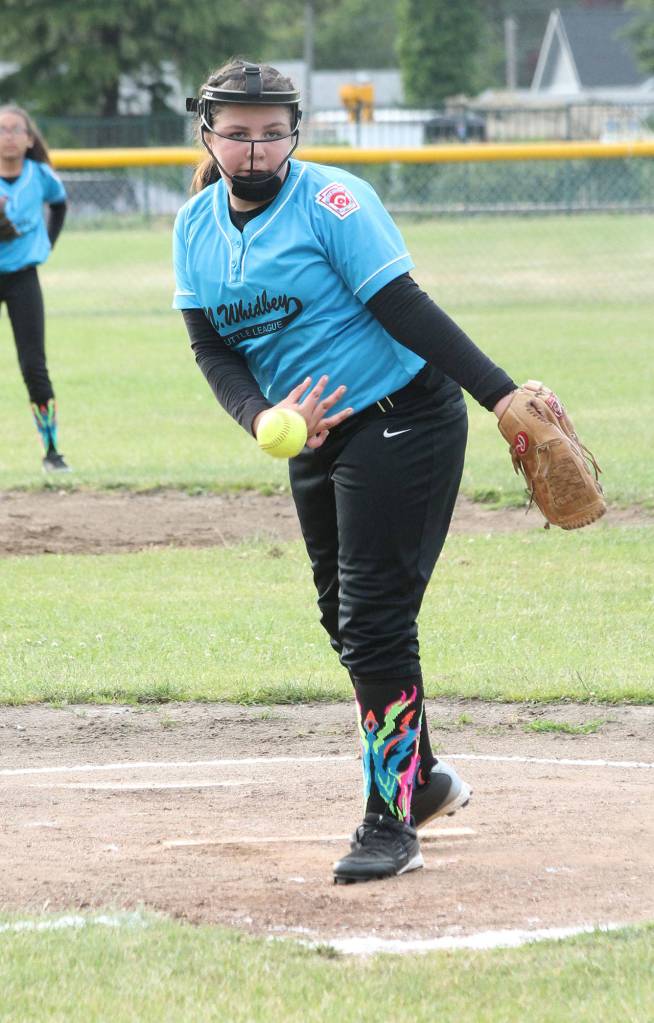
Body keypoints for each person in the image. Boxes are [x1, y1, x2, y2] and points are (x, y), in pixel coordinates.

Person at [173, 60, 518, 884]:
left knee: (374, 617)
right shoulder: (194, 227)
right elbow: (211, 345)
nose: (253, 148)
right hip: (313, 438)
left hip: (404, 415)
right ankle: (422, 777)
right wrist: (263, 418)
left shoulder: (333, 201)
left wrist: (501, 396)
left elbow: (403, 306)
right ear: (207, 132)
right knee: (343, 615)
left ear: (294, 131)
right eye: (236, 130)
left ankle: (389, 821)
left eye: (270, 130)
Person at [0, 105, 69, 472]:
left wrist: (46, 245)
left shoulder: (40, 175)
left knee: (33, 365)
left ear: (29, 139)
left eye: (15, 129)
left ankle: (52, 452)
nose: (8, 136)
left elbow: (59, 206)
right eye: (1, 129)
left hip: (22, 277)